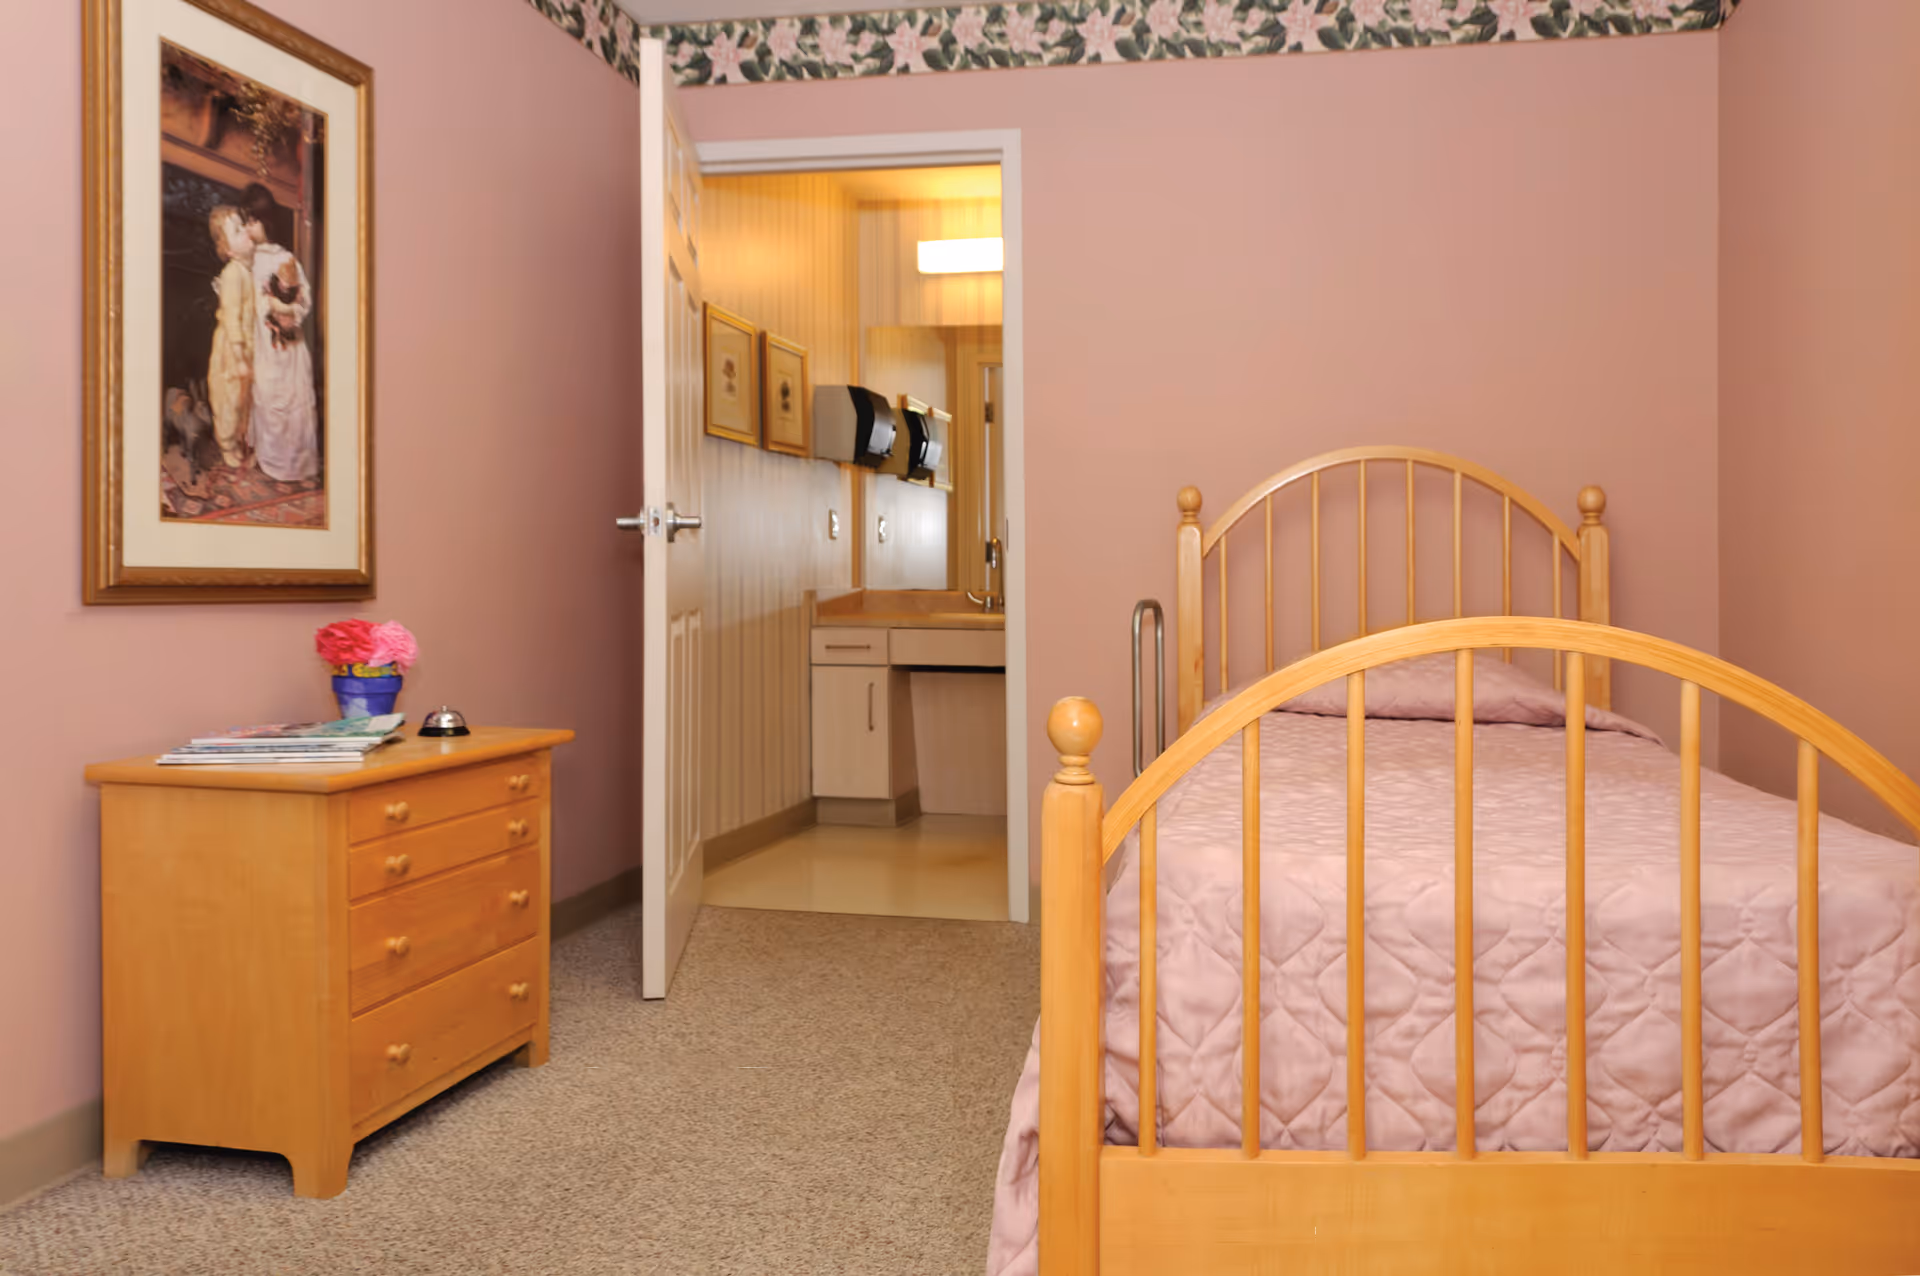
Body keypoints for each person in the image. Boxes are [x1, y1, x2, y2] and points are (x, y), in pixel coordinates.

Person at [240, 183, 319, 483]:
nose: (248, 229)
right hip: (264, 341)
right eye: (245, 222)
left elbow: (304, 300)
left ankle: (296, 467)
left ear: (265, 221)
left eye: (252, 221)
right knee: (266, 395)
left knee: (290, 397)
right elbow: (251, 299)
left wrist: (285, 311)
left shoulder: (284, 258)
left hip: (286, 345)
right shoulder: (253, 258)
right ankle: (266, 457)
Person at [205, 205, 255, 470]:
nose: (246, 230)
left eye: (244, 224)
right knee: (231, 398)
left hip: (249, 346)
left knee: (246, 398)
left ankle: (240, 438)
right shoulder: (233, 273)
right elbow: (231, 318)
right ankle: (226, 443)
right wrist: (238, 358)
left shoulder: (250, 270)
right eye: (237, 230)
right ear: (230, 250)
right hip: (232, 350)